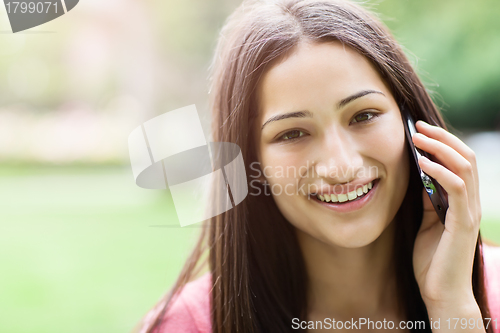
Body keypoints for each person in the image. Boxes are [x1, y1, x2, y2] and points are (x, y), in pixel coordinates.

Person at [135, 0, 500, 332]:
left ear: (409, 121)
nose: (341, 166)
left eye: (364, 115)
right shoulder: (185, 325)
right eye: (293, 133)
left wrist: (453, 308)